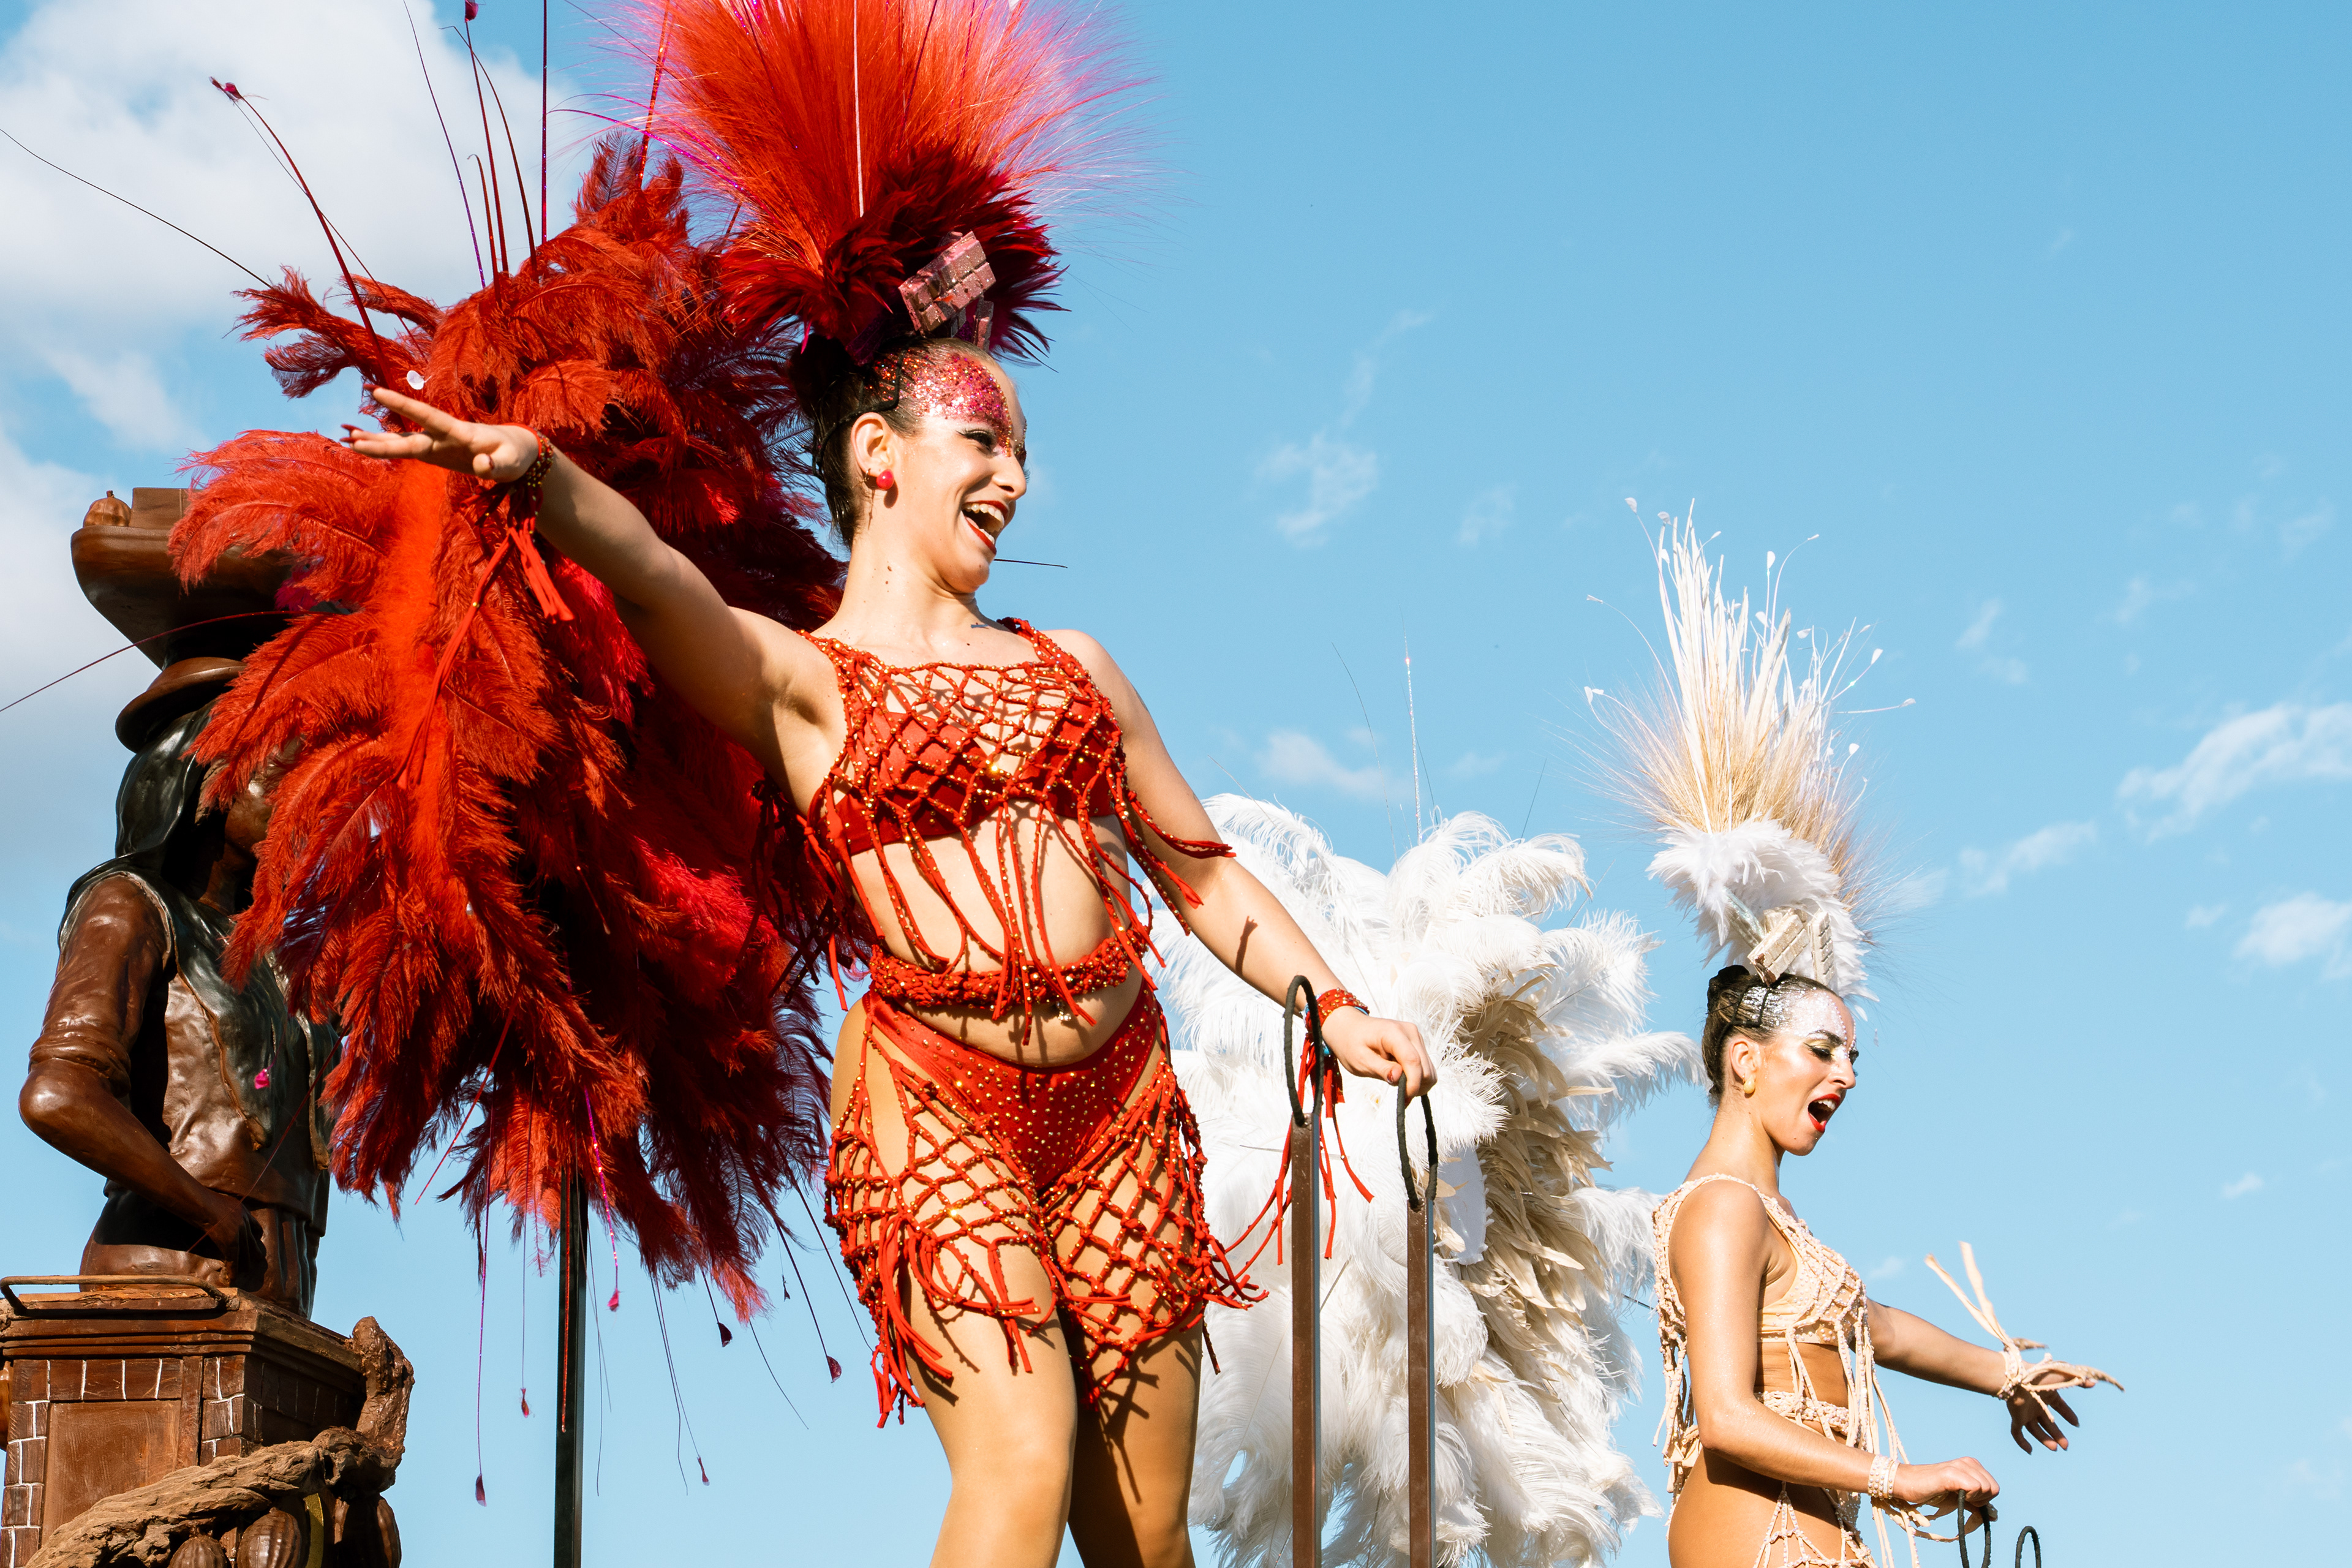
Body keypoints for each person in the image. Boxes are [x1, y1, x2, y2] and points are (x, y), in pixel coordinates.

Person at [343, 324, 1432, 1568]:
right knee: (1021, 1460)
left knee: (1145, 1531)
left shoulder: (1073, 668)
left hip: (1121, 1105)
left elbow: (1200, 869)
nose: (1015, 478)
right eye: (983, 439)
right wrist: (542, 474)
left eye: (1023, 450)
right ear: (879, 453)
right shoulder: (807, 685)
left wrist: (1334, 1005)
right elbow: (656, 578)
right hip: (935, 1104)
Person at [1600, 522, 2114, 1566]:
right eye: (1822, 1050)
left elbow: (1868, 1324)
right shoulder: (1716, 1214)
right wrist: (1901, 1477)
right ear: (1744, 1062)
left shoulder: (1775, 1220)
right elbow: (1732, 1415)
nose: (1844, 1075)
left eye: (1853, 1059)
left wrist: (2003, 1369)